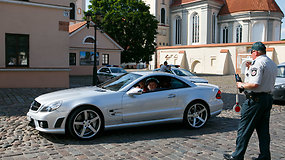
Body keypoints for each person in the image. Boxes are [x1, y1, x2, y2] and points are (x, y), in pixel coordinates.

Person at [224, 42, 277, 160]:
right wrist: (249, 69)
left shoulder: (257, 63)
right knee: (263, 131)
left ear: (256, 52)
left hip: (255, 100)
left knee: (244, 129)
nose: (251, 54)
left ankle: (237, 156)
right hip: (267, 99)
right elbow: (261, 79)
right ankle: (265, 156)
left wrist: (240, 84)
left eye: (251, 52)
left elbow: (254, 84)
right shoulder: (271, 63)